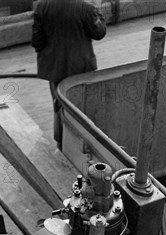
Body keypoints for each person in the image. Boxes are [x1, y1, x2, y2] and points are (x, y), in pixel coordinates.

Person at [31, 0, 106, 147]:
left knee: (60, 105)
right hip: (81, 69)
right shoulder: (85, 8)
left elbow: (37, 41)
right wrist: (98, 13)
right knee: (82, 107)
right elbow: (99, 33)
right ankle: (83, 144)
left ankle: (62, 142)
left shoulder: (42, 6)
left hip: (56, 70)